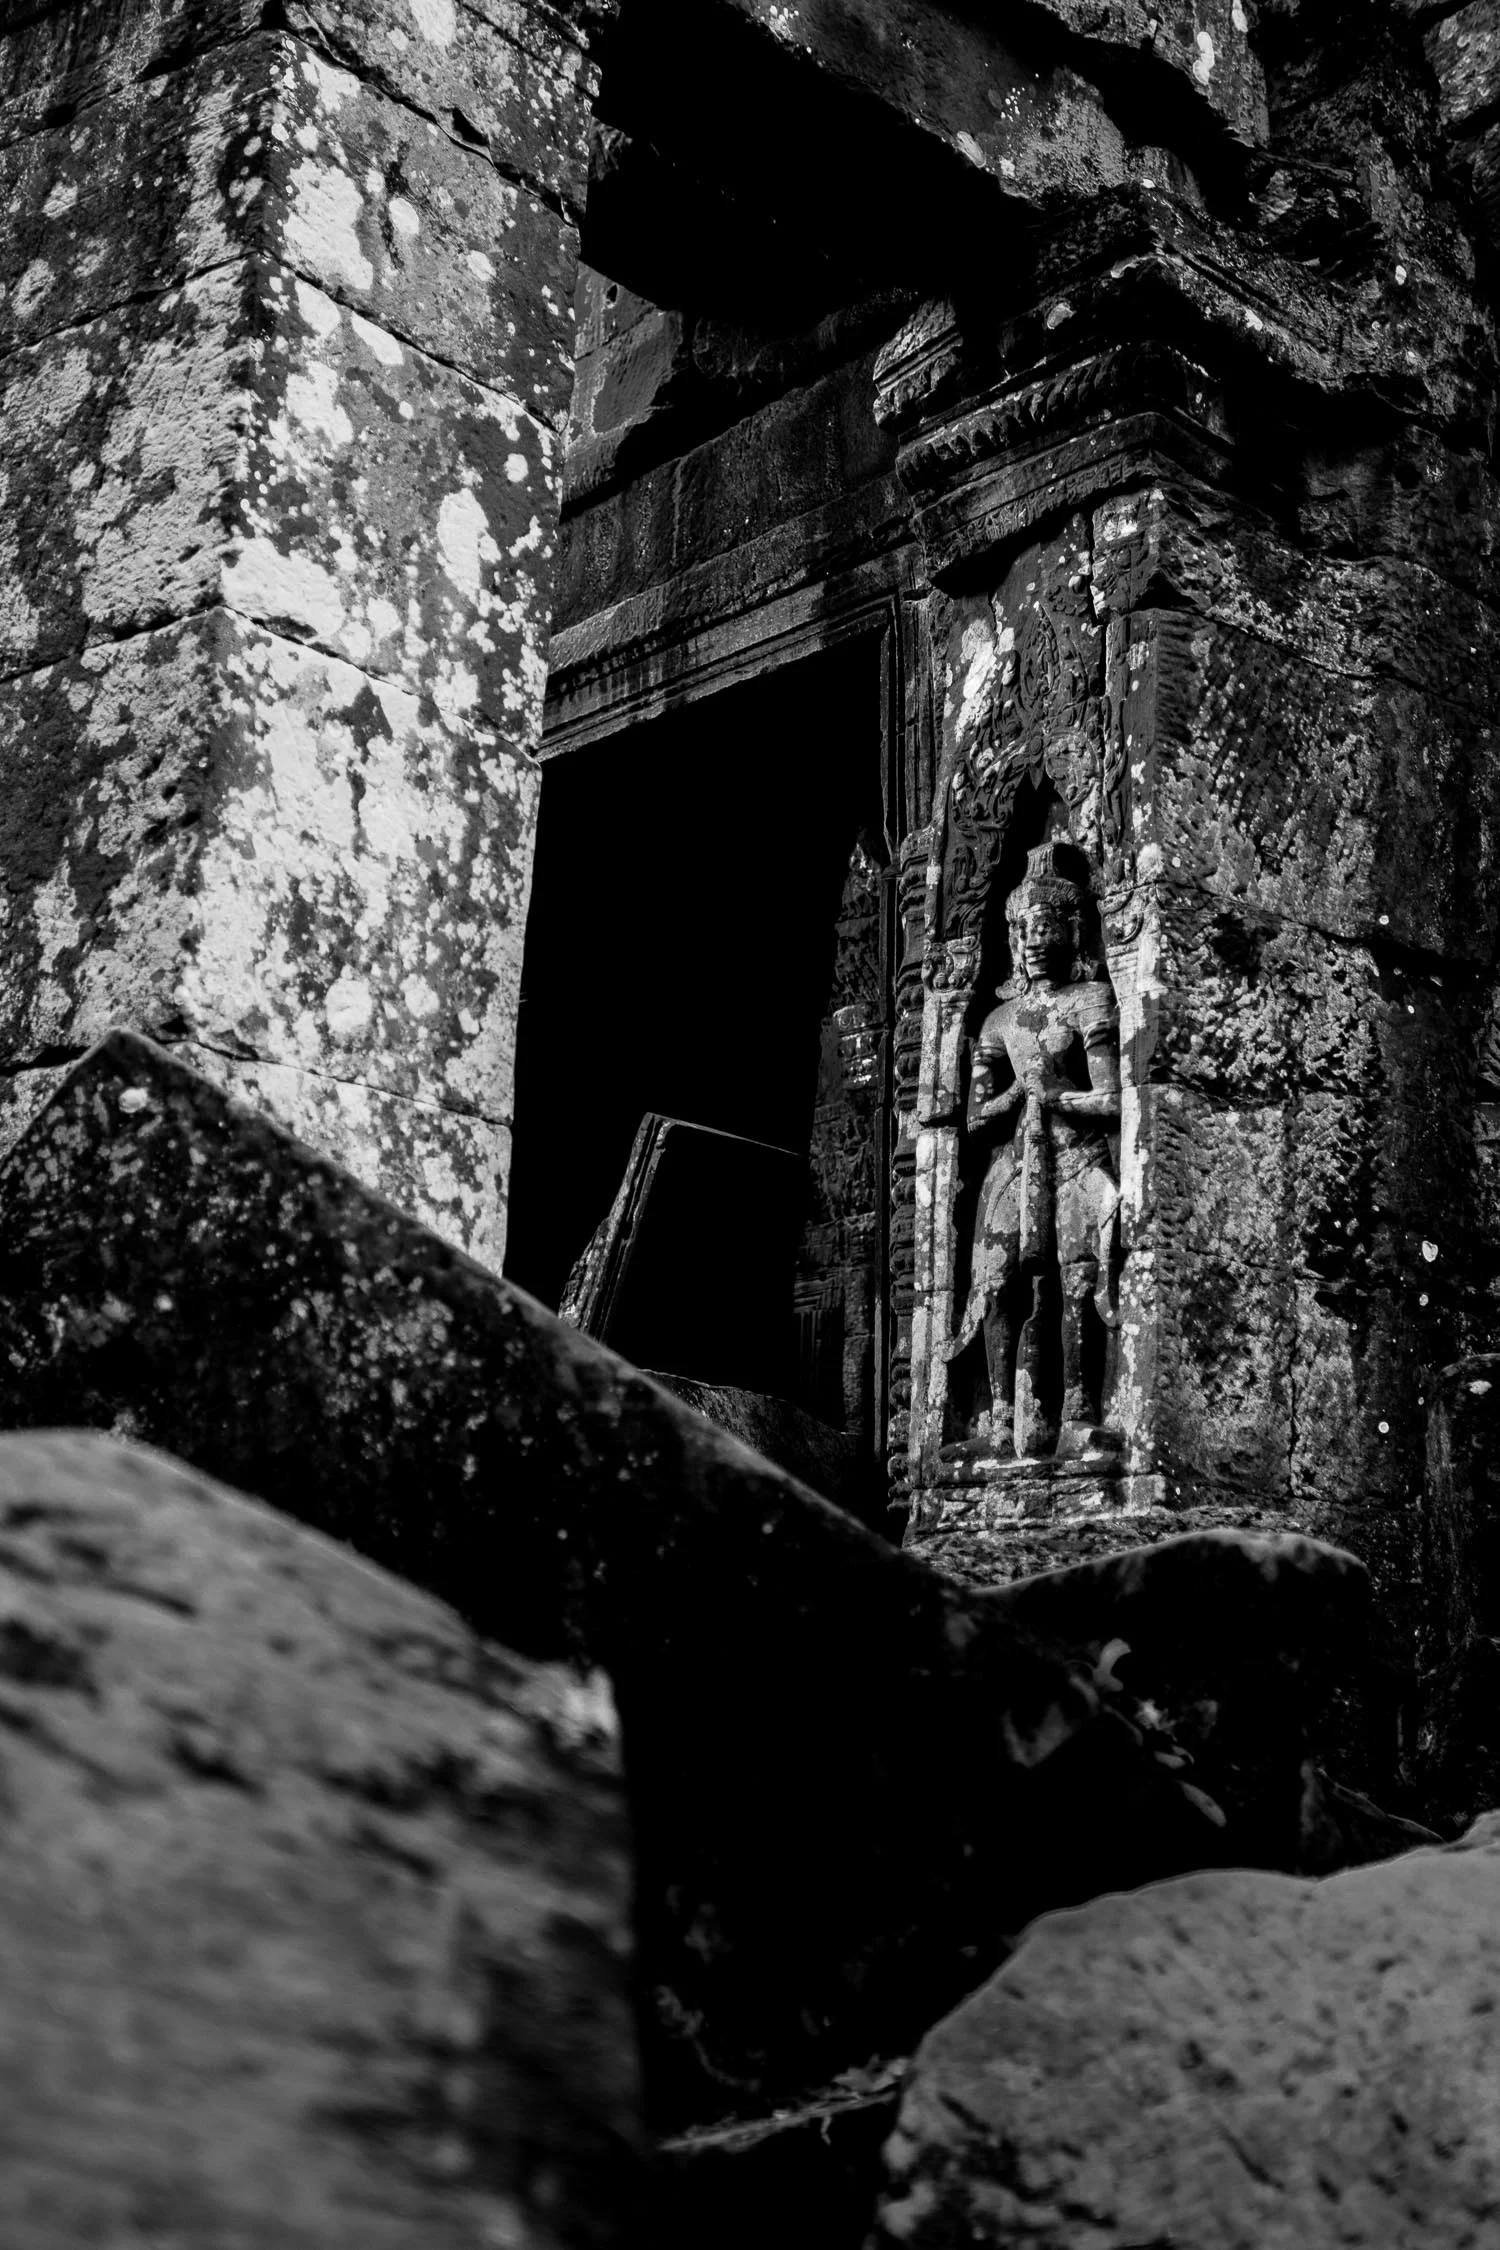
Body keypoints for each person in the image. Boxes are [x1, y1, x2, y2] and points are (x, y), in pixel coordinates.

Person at [946, 843, 1120, 1455]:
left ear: (1075, 933)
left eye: (1049, 929)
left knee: (1074, 1282)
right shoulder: (999, 1020)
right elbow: (972, 1117)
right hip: (1012, 1165)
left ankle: (1076, 1408)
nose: (1036, 942)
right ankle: (998, 1419)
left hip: (1074, 1158)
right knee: (995, 1286)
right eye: (1026, 931)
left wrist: (1059, 1097)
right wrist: (1021, 1094)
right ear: (1014, 938)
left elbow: (1113, 1100)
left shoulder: (1089, 1001)